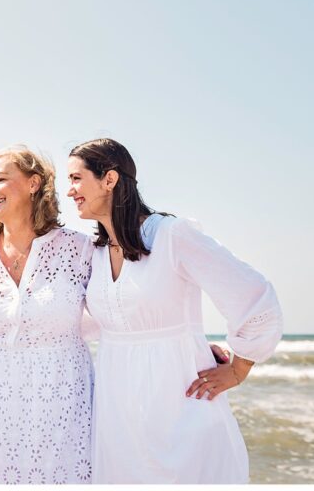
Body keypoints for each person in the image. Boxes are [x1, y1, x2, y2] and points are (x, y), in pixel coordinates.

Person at [66, 138, 283, 484]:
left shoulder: (171, 235)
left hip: (178, 407)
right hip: (117, 415)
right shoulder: (95, 252)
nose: (70, 191)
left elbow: (252, 294)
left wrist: (239, 369)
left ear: (109, 179)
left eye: (76, 179)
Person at [0, 146, 95, 484]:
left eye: (0, 179)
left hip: (62, 399)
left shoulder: (81, 249)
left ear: (33, 183)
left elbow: (123, 308)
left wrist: (197, 347)